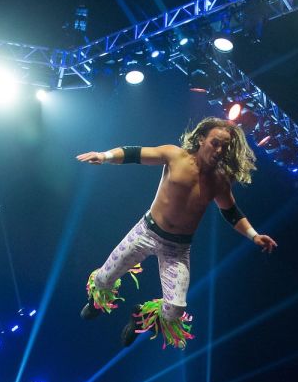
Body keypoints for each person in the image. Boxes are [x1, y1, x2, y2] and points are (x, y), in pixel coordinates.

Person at [75, 117, 277, 349]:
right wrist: (104, 156)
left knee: (174, 310)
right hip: (146, 232)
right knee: (103, 279)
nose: (220, 150)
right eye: (215, 143)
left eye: (225, 147)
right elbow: (135, 153)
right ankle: (96, 302)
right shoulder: (175, 156)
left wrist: (254, 235)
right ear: (202, 139)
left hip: (177, 249)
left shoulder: (220, 180)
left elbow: (231, 212)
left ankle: (140, 317)